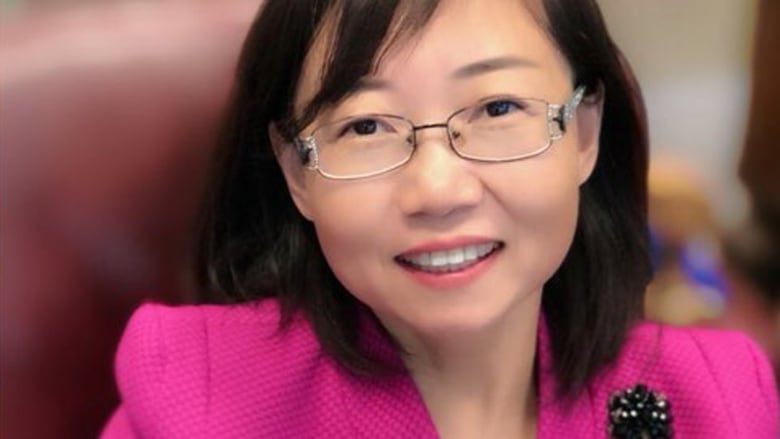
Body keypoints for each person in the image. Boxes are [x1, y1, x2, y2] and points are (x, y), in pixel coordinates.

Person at [101, 0, 778, 437]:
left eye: (497, 108)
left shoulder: (716, 395)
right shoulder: (198, 396)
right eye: (366, 124)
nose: (437, 188)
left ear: (583, 133)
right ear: (295, 172)